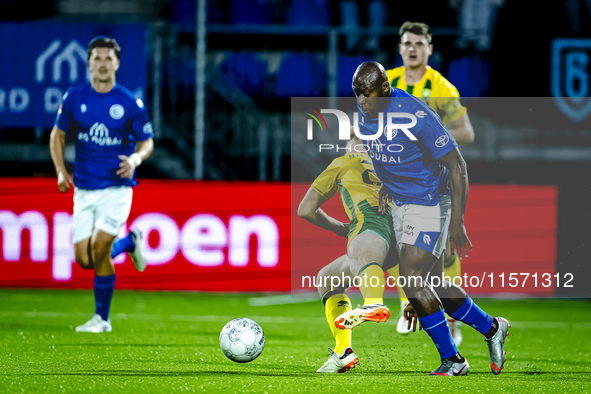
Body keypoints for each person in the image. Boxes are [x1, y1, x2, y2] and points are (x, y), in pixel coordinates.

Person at [352, 61, 509, 376]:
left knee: (412, 278)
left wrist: (456, 222)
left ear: (384, 88)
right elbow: (390, 152)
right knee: (433, 284)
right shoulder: (367, 114)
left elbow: (457, 166)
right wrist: (385, 184)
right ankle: (492, 328)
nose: (361, 101)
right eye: (356, 94)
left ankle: (453, 360)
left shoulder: (418, 115)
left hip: (430, 201)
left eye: (366, 94)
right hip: (403, 203)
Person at [49, 37, 154, 333]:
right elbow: (56, 135)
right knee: (85, 259)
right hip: (83, 188)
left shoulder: (129, 102)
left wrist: (135, 159)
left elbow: (147, 141)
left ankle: (101, 319)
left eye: (109, 58)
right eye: (97, 58)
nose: (103, 63)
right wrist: (60, 171)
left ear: (117, 63)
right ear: (89, 64)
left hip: (116, 188)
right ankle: (131, 243)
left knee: (99, 249)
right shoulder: (74, 97)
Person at [386, 21, 475, 343]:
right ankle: (409, 303)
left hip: (436, 185)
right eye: (408, 43)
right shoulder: (388, 82)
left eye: (419, 44)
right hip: (398, 182)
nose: (413, 49)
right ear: (400, 48)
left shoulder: (442, 88)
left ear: (429, 49)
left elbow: (466, 132)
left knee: (446, 252)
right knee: (402, 245)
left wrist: (429, 139)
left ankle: (452, 317)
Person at [298, 136, 398, 373]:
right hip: (403, 231)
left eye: (351, 142)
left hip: (371, 225)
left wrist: (338, 227)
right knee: (328, 278)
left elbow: (305, 209)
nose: (347, 147)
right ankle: (343, 352)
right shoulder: (392, 166)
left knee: (364, 257)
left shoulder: (344, 161)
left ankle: (373, 303)